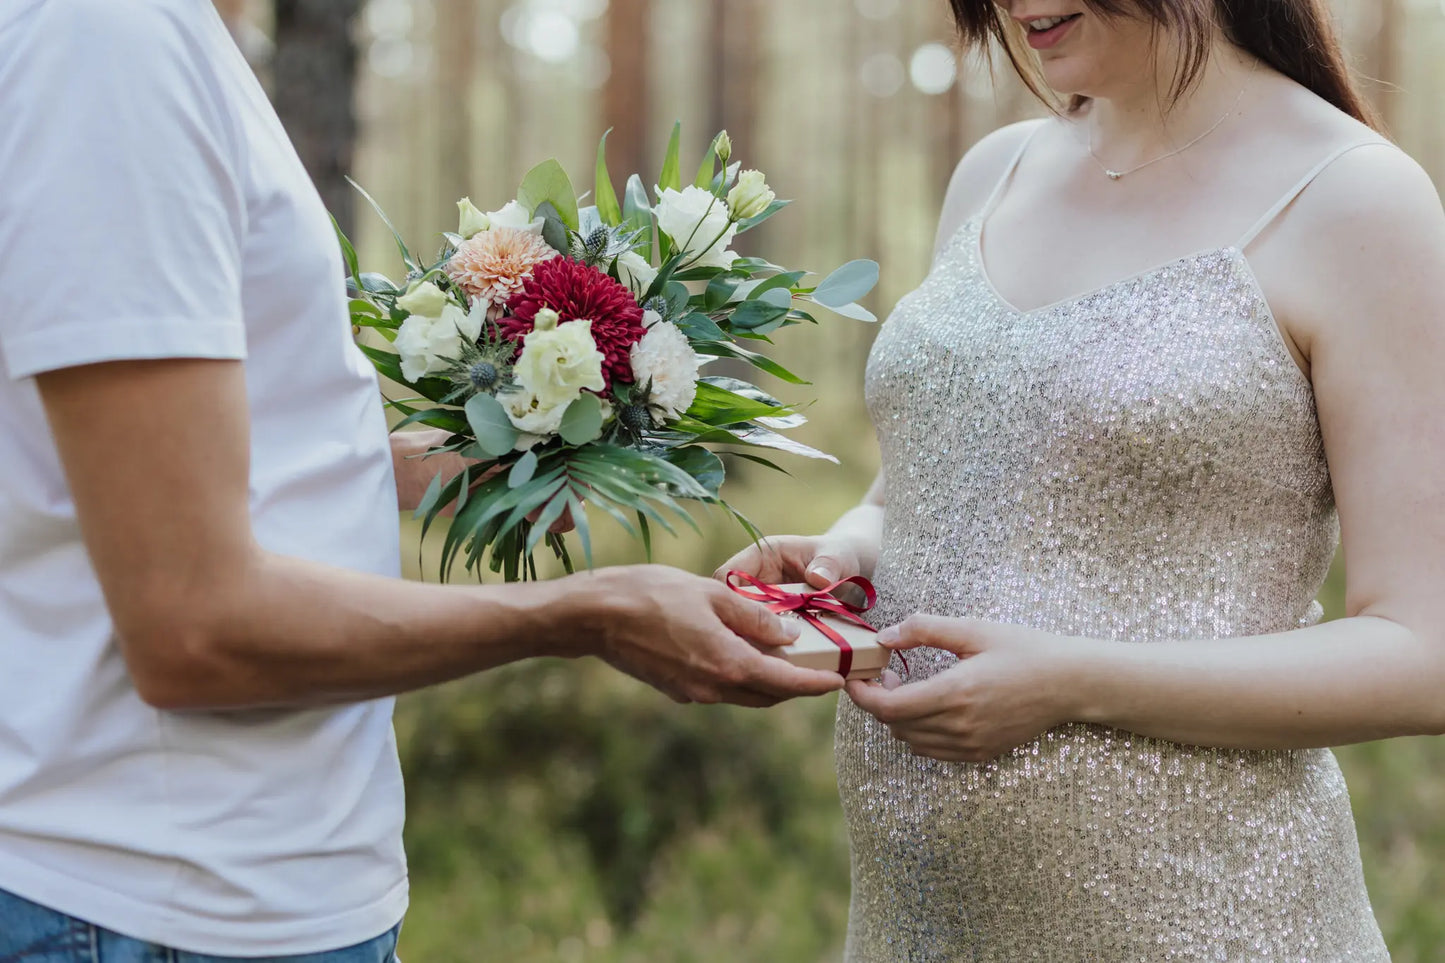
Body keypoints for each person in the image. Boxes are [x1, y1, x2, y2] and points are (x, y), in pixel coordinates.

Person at [0, 0, 841, 958]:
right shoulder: (105, 41)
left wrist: (453, 460)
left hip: (273, 884)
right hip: (149, 902)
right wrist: (588, 614)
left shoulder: (167, 38)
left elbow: (196, 448)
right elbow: (192, 623)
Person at [722, 0, 1445, 957]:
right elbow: (937, 479)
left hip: (1210, 922)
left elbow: (1422, 653)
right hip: (916, 924)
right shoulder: (995, 170)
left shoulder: (1355, 198)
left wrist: (1072, 682)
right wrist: (854, 543)